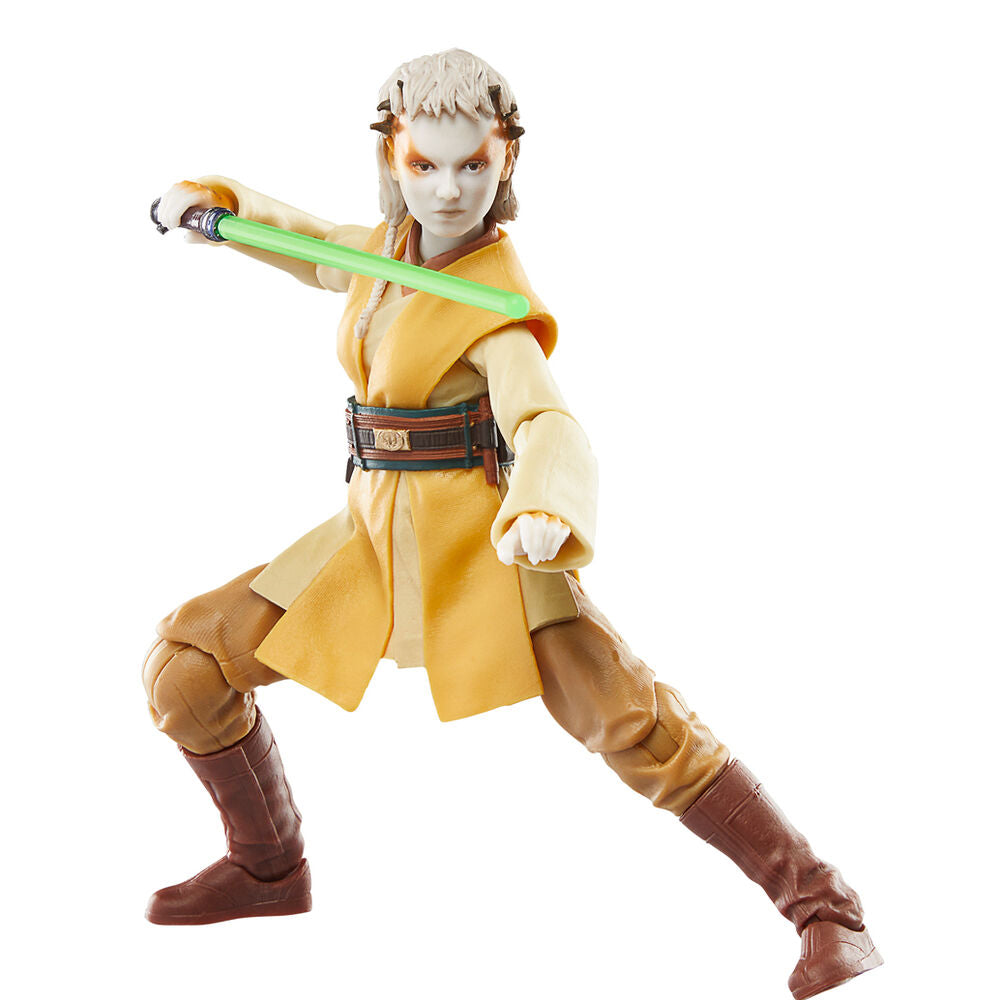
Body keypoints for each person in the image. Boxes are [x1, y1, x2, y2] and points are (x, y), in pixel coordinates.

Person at [145, 48, 881, 999]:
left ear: (508, 159)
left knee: (631, 722)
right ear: (392, 154)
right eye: (424, 164)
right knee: (188, 668)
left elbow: (547, 422)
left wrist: (541, 506)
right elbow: (316, 245)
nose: (449, 190)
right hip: (370, 542)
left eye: (474, 165)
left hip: (480, 551)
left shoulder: (494, 308)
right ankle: (267, 868)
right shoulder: (387, 255)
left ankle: (824, 907)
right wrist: (218, 210)